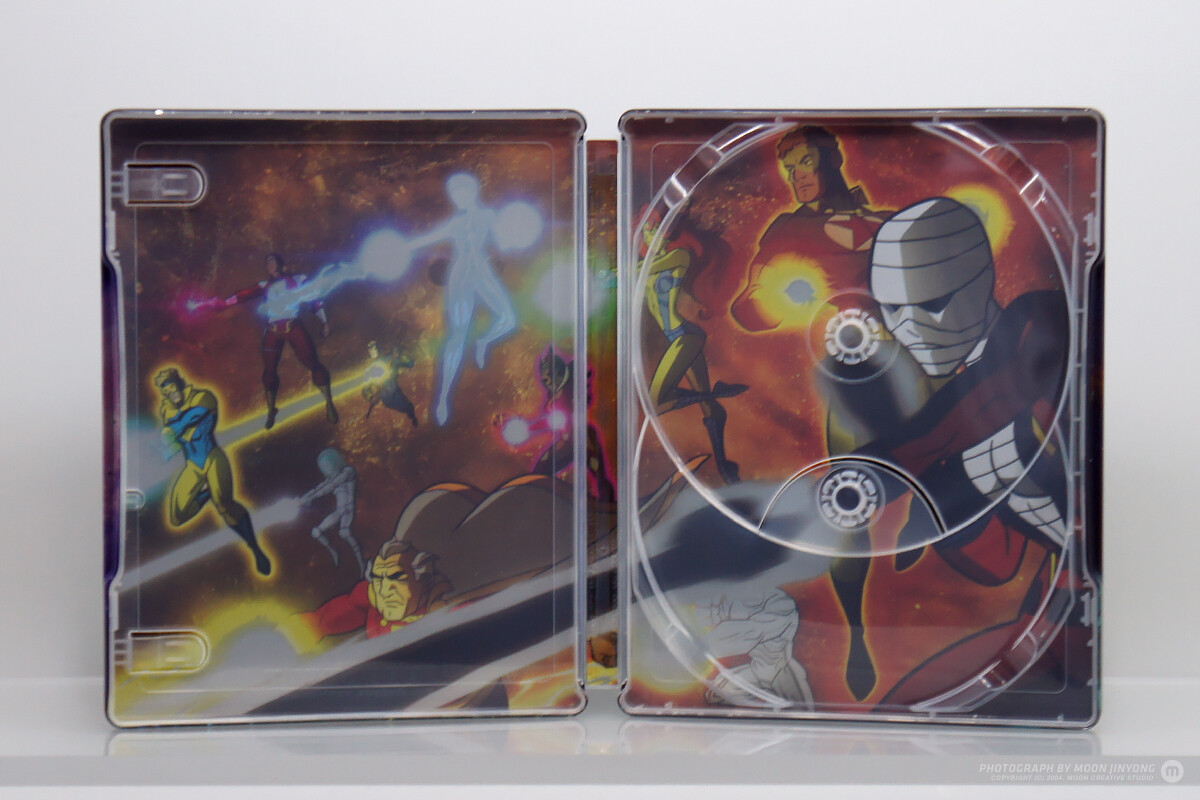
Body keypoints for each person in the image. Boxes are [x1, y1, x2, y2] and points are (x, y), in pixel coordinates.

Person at [731, 126, 889, 333]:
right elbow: (755, 291)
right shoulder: (789, 228)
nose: (797, 176)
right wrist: (759, 299)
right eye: (790, 169)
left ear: (834, 159)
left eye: (806, 162)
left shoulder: (883, 218)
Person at [642, 209, 747, 484]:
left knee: (656, 401)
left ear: (667, 233)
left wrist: (611, 272)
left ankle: (715, 394)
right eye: (648, 230)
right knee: (710, 410)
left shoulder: (680, 255)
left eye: (655, 229)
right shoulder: (652, 263)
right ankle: (726, 466)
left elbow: (641, 271)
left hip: (685, 337)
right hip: (679, 337)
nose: (650, 235)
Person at [155, 367, 271, 576]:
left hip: (212, 459)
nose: (169, 393)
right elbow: (175, 439)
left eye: (171, 387)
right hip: (193, 466)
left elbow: (194, 416)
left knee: (225, 506)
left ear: (179, 383)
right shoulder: (167, 410)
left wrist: (171, 430)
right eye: (165, 391)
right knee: (177, 516)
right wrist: (168, 449)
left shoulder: (203, 397)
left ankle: (255, 549)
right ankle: (208, 494)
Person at [217, 252, 338, 429]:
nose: (270, 264)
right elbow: (242, 296)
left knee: (313, 363)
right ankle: (271, 409)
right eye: (267, 262)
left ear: (281, 264)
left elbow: (313, 300)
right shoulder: (264, 285)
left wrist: (324, 321)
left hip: (293, 326)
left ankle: (329, 402)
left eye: (272, 260)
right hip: (273, 329)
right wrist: (222, 304)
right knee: (269, 371)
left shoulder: (297, 279)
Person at [300, 448, 364, 572]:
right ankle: (334, 552)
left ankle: (362, 564)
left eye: (328, 464)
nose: (327, 468)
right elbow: (318, 488)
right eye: (324, 466)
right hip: (339, 512)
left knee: (344, 532)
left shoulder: (348, 471)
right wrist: (304, 498)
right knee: (316, 532)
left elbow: (330, 486)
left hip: (348, 510)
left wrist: (311, 497)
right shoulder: (331, 479)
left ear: (335, 461)